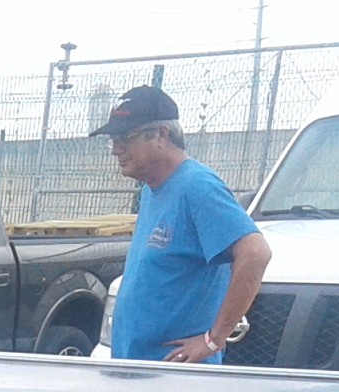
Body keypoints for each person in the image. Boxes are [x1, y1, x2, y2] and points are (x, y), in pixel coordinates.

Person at [91, 86, 271, 364]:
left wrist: (213, 339)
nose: (116, 150)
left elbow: (256, 254)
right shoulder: (152, 188)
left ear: (162, 134)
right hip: (141, 370)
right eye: (113, 139)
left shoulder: (198, 187)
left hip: (175, 379)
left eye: (125, 137)